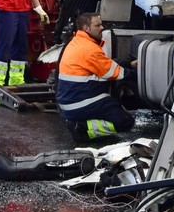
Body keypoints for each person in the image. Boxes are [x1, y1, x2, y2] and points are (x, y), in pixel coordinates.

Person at [55, 12, 137, 143]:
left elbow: (104, 64)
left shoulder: (77, 42)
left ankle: (80, 123)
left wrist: (128, 63)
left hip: (69, 103)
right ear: (86, 28)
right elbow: (117, 73)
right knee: (125, 121)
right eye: (97, 25)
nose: (102, 28)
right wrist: (143, 75)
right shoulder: (89, 49)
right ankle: (82, 128)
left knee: (110, 102)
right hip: (81, 102)